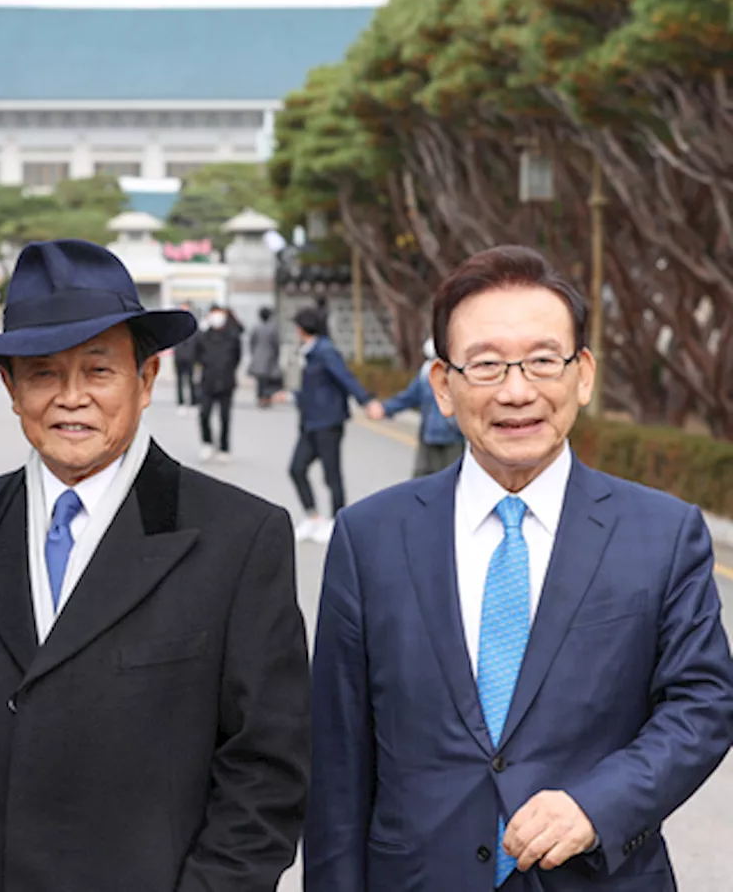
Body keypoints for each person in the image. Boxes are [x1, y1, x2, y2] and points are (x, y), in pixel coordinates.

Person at [304, 245, 733, 891]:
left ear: (582, 374)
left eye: (541, 360)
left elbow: (703, 704)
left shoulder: (663, 532)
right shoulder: (369, 538)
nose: (516, 390)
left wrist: (598, 804)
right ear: (443, 387)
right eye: (485, 365)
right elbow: (337, 761)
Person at [0, 239, 310, 892]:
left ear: (146, 379)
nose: (71, 398)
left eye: (98, 371)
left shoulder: (240, 537)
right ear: (11, 389)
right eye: (43, 373)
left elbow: (266, 771)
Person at [283, 307, 373, 544]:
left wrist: (366, 401)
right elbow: (306, 386)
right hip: (309, 423)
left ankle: (337, 522)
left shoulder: (325, 351)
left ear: (302, 329)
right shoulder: (306, 352)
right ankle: (313, 517)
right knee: (296, 468)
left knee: (331, 474)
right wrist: (290, 396)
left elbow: (345, 378)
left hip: (327, 422)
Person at [367, 337, 466, 477]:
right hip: (428, 438)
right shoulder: (425, 373)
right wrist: (385, 408)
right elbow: (409, 397)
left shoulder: (459, 373)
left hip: (454, 439)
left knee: (452, 484)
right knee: (421, 482)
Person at [194, 304, 242, 463]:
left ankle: (224, 447)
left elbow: (237, 357)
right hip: (208, 381)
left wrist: (228, 370)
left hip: (226, 382)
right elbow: (197, 355)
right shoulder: (203, 336)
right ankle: (207, 443)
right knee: (204, 414)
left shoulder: (233, 336)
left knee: (225, 417)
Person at [248, 306, 283, 408]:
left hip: (258, 356)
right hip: (270, 356)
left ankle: (260, 398)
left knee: (260, 380)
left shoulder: (256, 327)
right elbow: (276, 343)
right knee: (268, 380)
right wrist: (277, 354)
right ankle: (266, 398)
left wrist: (254, 353)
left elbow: (252, 342)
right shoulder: (273, 328)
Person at [171, 300, 199, 413]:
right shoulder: (176, 325)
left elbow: (197, 341)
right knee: (180, 381)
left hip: (191, 356)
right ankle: (181, 402)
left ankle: (193, 401)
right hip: (179, 356)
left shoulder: (194, 325)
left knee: (191, 380)